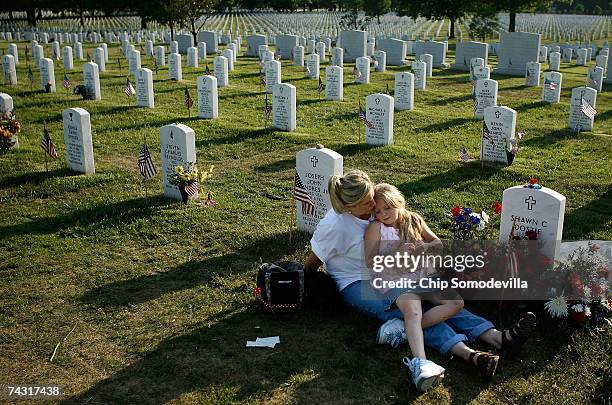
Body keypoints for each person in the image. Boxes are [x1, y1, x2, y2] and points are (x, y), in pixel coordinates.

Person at [304, 170, 536, 391]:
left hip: (398, 273)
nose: (373, 206)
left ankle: (496, 337)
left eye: (372, 199)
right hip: (355, 281)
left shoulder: (376, 213)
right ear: (347, 206)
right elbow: (313, 262)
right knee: (408, 310)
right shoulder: (335, 225)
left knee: (440, 303)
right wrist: (306, 284)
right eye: (366, 204)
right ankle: (465, 353)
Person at [364, 183, 465, 385]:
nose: (383, 214)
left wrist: (425, 247)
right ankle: (421, 363)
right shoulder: (376, 227)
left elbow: (438, 243)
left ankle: (401, 330)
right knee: (414, 310)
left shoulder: (413, 219)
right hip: (394, 276)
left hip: (422, 273)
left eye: (388, 208)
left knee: (456, 303)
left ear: (398, 202)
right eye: (378, 211)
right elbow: (370, 260)